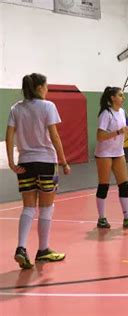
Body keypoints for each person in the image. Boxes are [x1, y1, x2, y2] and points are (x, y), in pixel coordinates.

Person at [6, 73, 70, 269]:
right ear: (40, 87)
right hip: (45, 161)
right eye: (46, 85)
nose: (47, 88)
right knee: (46, 207)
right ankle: (43, 250)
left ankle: (21, 248)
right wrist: (64, 161)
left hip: (25, 162)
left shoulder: (16, 108)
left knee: (28, 207)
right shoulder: (48, 106)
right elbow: (55, 136)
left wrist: (11, 161)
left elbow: (9, 137)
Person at [95, 87, 128, 229]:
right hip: (104, 154)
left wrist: (126, 131)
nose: (123, 98)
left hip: (118, 152)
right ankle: (101, 218)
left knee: (124, 184)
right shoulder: (106, 114)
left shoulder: (121, 112)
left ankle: (127, 217)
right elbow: (100, 136)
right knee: (104, 185)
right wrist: (118, 131)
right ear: (112, 98)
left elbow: (121, 132)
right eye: (120, 95)